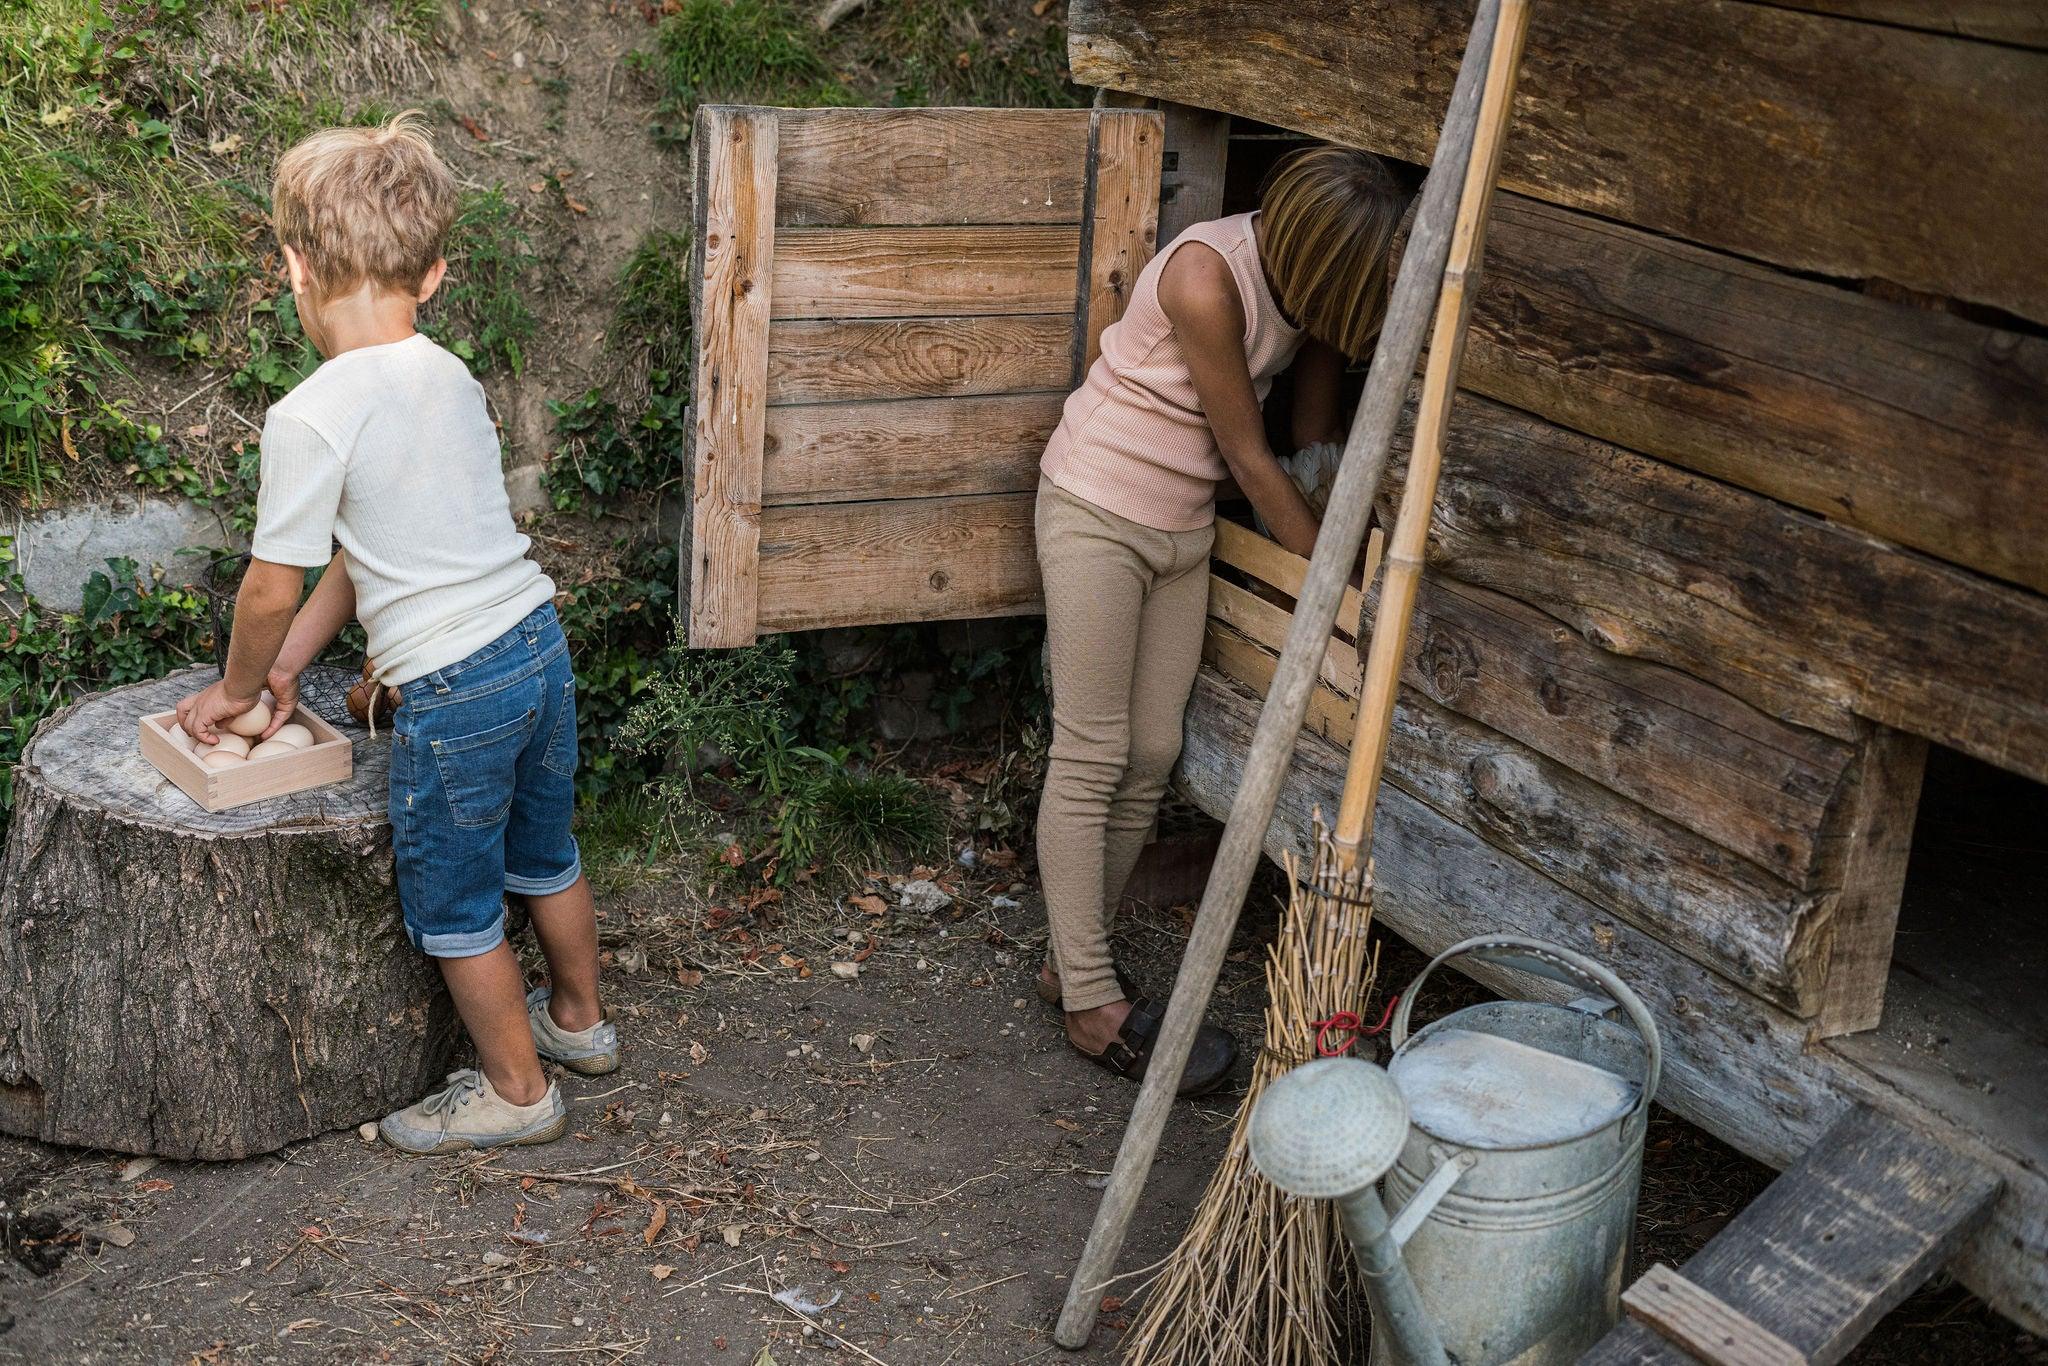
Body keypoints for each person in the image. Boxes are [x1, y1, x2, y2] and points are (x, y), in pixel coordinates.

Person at [174, 112, 617, 1153]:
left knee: (455, 901)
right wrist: (292, 669)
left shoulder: (312, 412)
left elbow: (272, 584)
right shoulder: (448, 374)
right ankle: (580, 1027)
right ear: (433, 275)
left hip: (456, 690)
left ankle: (515, 1093)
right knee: (544, 853)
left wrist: (241, 686)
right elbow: (360, 554)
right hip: (535, 648)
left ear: (293, 266)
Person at [1033, 146, 1406, 1093]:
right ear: (1330, 265)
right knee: (1091, 748)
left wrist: (1357, 513)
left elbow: (1312, 442)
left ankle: (1072, 961)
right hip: (1098, 509)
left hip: (1181, 527)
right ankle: (1090, 1002)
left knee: (1153, 752)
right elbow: (1249, 457)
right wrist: (1337, 589)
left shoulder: (1310, 299)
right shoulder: (1206, 277)